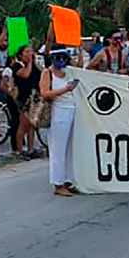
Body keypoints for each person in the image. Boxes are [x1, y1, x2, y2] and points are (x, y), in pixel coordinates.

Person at [41, 48, 79, 196]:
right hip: (58, 112)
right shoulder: (47, 73)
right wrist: (65, 90)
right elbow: (45, 93)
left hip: (71, 110)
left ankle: (68, 180)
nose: (61, 60)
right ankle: (58, 183)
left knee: (70, 149)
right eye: (58, 58)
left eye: (64, 57)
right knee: (58, 149)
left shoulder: (68, 71)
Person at [10, 45, 42, 159]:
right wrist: (29, 62)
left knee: (31, 125)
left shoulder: (34, 65)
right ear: (21, 54)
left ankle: (30, 149)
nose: (29, 54)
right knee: (23, 125)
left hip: (35, 97)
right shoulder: (17, 66)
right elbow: (25, 74)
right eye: (27, 52)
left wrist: (34, 61)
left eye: (30, 51)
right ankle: (19, 150)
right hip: (24, 99)